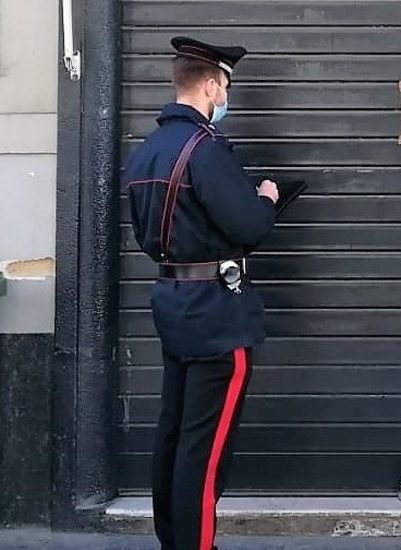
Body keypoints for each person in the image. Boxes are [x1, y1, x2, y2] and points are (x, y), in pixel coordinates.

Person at [123, 37, 280, 550]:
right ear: (213, 84)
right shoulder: (204, 148)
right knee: (205, 450)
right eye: (226, 86)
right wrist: (266, 198)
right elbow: (249, 226)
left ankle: (173, 540)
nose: (224, 96)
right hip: (217, 314)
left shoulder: (148, 150)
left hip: (172, 303)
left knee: (173, 435)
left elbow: (149, 232)